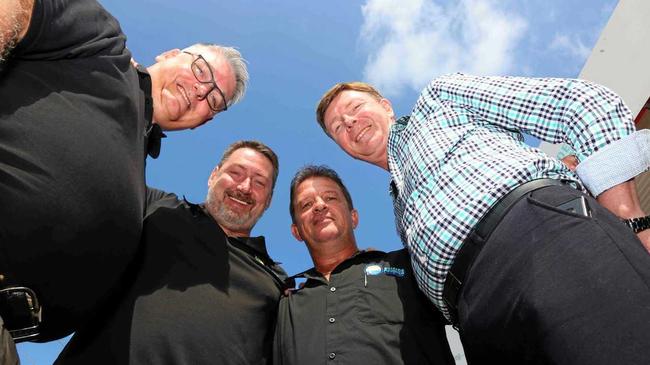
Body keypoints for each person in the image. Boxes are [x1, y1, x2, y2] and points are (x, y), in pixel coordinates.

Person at [316, 75, 650, 364]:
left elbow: (580, 102)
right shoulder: (399, 207)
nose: (349, 123)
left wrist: (628, 218)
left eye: (356, 108)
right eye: (337, 127)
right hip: (478, 321)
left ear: (386, 106)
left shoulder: (439, 101)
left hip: (540, 239)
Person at [0, 0, 249, 357]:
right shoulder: (104, 46)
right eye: (200, 70)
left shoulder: (140, 171)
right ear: (168, 54)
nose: (200, 91)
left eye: (214, 99)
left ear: (203, 123)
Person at [54, 140, 286, 364]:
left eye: (259, 183)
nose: (245, 187)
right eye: (236, 173)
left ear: (268, 201)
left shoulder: (278, 282)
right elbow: (86, 171)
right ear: (213, 176)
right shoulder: (155, 207)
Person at [274, 165, 455, 365]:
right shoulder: (283, 300)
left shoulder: (409, 265)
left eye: (330, 198)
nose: (319, 205)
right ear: (296, 232)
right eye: (306, 204)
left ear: (354, 218)